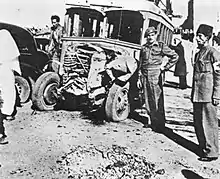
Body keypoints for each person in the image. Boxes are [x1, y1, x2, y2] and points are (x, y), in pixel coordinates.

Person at [138, 26, 178, 132]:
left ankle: (160, 124)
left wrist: (165, 67)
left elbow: (174, 56)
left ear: (156, 35)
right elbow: (140, 63)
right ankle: (152, 121)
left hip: (155, 75)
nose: (150, 37)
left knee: (157, 100)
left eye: (152, 35)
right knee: (147, 99)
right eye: (148, 36)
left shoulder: (160, 46)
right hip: (145, 75)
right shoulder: (144, 48)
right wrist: (139, 77)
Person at [191, 24, 220, 162]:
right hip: (198, 93)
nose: (197, 38)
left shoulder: (213, 53)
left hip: (208, 95)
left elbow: (219, 76)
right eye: (197, 35)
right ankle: (203, 148)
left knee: (209, 123)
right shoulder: (198, 53)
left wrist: (217, 95)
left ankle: (212, 152)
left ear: (208, 38)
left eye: (200, 36)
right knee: (198, 123)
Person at [0, 29, 21, 144]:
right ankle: (8, 113)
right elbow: (14, 59)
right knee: (8, 92)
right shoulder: (9, 43)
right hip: (6, 70)